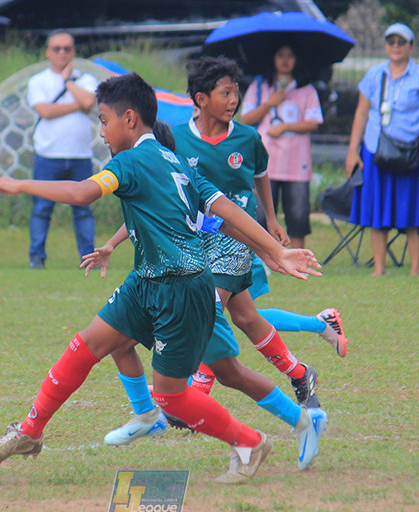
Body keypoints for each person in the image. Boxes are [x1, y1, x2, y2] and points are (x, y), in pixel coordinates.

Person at [0, 73, 322, 483]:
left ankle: (248, 441)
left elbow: (82, 194)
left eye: (104, 121)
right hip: (146, 281)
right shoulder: (175, 160)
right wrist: (274, 250)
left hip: (181, 288)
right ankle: (30, 431)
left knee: (174, 394)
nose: (102, 132)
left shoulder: (129, 161)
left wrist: (20, 183)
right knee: (86, 345)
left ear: (129, 119)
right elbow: (223, 213)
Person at [82, 122, 326, 470]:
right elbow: (138, 219)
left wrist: (271, 253)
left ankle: (299, 416)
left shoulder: (178, 185)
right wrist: (110, 244)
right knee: (124, 342)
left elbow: (225, 223)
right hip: (167, 288)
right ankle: (148, 415)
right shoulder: (154, 184)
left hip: (191, 291)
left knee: (230, 370)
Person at [172, 56, 342, 406]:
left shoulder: (248, 137)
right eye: (226, 93)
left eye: (236, 93)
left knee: (209, 309)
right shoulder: (176, 139)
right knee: (247, 317)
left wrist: (272, 220)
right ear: (201, 99)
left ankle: (195, 392)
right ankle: (300, 373)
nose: (234, 100)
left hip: (238, 236)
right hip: (198, 237)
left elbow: (261, 176)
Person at [345, 23, 419, 276]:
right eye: (391, 42)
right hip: (376, 148)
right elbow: (361, 113)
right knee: (378, 208)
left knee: (412, 208)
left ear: (411, 46)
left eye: (401, 42)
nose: (395, 46)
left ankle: (415, 269)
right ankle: (379, 268)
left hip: (411, 150)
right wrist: (353, 150)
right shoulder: (374, 75)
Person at [26, 31, 99, 269]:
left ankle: (87, 257)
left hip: (80, 156)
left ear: (74, 52)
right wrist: (77, 104)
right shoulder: (38, 81)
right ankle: (37, 257)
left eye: (67, 48)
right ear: (48, 52)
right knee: (42, 208)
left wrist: (68, 83)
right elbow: (45, 111)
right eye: (56, 48)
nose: (62, 53)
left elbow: (88, 102)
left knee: (83, 209)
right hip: (48, 156)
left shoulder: (85, 79)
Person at [241, 44, 324, 250]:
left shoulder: (306, 89)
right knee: (262, 216)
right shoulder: (260, 87)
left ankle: (299, 257)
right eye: (280, 55)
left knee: (298, 217)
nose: (285, 60)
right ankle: (265, 259)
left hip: (296, 164)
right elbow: (246, 119)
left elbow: (314, 122)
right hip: (267, 164)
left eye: (290, 55)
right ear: (273, 59)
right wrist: (270, 103)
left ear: (297, 60)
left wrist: (286, 127)